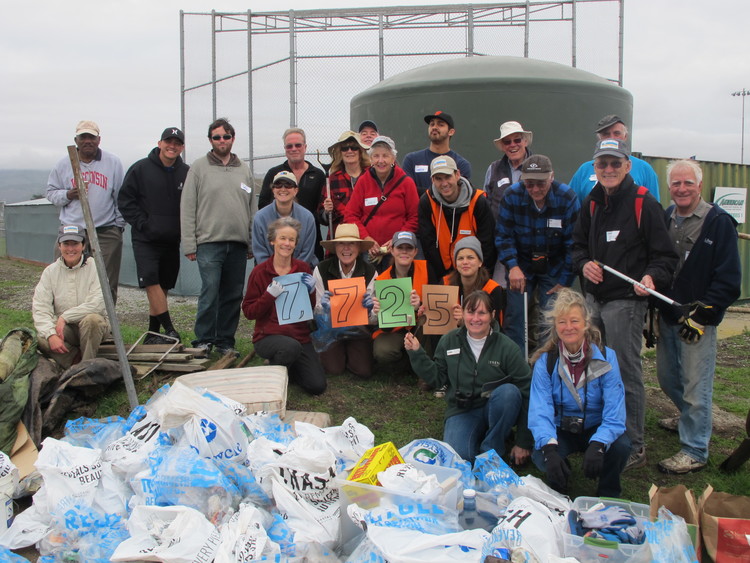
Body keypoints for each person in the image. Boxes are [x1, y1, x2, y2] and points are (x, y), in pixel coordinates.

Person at [572, 138, 677, 471]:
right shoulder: (591, 202)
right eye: (602, 163)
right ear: (595, 167)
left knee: (626, 373)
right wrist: (584, 264)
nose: (608, 169)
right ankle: (603, 432)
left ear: (627, 165)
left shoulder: (644, 203)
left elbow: (665, 256)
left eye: (615, 163)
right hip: (593, 301)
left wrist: (651, 278)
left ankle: (634, 444)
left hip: (626, 303)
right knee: (594, 369)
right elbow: (577, 246)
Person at [655, 159, 741, 474]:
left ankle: (694, 449)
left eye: (687, 183)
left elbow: (730, 279)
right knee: (667, 378)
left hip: (698, 321)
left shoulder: (718, 222)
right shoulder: (666, 218)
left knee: (695, 385)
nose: (681, 189)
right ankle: (688, 417)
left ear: (699, 186)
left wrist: (704, 315)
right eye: (676, 183)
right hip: (668, 314)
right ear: (669, 187)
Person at [405, 290, 533, 464]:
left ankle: (492, 447)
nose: (475, 319)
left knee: (509, 393)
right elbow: (438, 379)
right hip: (462, 410)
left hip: (494, 406)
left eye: (482, 313)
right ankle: (485, 436)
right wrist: (417, 353)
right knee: (460, 458)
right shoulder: (449, 340)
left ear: (492, 315)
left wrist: (523, 442)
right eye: (471, 312)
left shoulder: (507, 347)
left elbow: (528, 392)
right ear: (463, 314)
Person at [528, 288, 629, 497]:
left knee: (621, 446)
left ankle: (609, 493)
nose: (568, 327)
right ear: (556, 326)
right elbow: (540, 410)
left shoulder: (607, 358)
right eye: (562, 322)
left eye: (574, 321)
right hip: (561, 428)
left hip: (594, 425)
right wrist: (549, 450)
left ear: (586, 324)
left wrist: (599, 444)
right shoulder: (545, 362)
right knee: (540, 455)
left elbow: (615, 409)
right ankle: (561, 479)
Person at [180, 118, 253, 357]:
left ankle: (225, 342)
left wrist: (251, 241)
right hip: (209, 243)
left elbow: (252, 207)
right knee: (210, 291)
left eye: (226, 136)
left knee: (233, 294)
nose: (222, 140)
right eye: (216, 137)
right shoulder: (199, 168)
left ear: (233, 138)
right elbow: (188, 206)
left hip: (238, 244)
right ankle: (203, 340)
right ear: (210, 140)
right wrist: (190, 243)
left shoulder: (244, 168)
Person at [496, 154, 580, 352]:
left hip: (555, 266)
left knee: (550, 318)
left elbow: (574, 244)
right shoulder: (511, 196)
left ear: (551, 177)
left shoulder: (567, 198)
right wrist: (512, 266)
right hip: (521, 265)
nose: (535, 189)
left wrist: (565, 280)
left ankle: (546, 365)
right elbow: (503, 236)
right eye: (529, 184)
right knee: (515, 316)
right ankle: (517, 367)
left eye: (540, 183)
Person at [118, 127, 189, 344]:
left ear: (182, 147)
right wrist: (143, 224)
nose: (172, 146)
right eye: (168, 141)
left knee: (163, 285)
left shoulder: (186, 172)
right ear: (160, 143)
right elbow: (125, 200)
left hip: (171, 239)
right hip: (146, 238)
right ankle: (169, 330)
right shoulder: (140, 169)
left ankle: (152, 333)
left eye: (177, 143)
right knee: (151, 281)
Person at [242, 217, 326, 395]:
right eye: (282, 238)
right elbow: (249, 312)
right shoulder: (260, 272)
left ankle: (288, 368)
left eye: (291, 240)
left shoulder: (303, 268)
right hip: (268, 336)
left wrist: (311, 291)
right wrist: (268, 296)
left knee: (316, 386)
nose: (287, 243)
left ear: (296, 244)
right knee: (289, 348)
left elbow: (308, 311)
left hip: (299, 336)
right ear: (272, 240)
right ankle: (271, 376)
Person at [46, 120, 125, 302]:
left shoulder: (113, 163)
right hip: (72, 230)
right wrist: (68, 194)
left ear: (99, 140)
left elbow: (121, 196)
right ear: (76, 140)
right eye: (83, 137)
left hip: (105, 230)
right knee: (65, 277)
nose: (87, 141)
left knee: (106, 281)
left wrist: (118, 227)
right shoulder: (63, 164)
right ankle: (67, 323)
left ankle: (105, 324)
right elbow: (50, 193)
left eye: (92, 137)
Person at [33, 225, 109, 369]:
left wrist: (65, 317)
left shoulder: (96, 267)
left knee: (93, 320)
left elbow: (98, 304)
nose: (70, 249)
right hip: (66, 330)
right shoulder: (50, 272)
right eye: (66, 244)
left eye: (75, 244)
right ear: (59, 246)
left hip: (92, 326)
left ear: (83, 245)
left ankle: (86, 368)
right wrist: (51, 335)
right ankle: (74, 359)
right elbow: (40, 308)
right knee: (42, 338)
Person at [313, 224, 380, 379]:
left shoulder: (370, 272)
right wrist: (325, 308)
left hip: (358, 330)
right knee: (333, 369)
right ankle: (335, 352)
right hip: (330, 328)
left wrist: (370, 310)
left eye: (352, 243)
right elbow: (317, 311)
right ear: (335, 247)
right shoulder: (321, 270)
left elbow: (373, 318)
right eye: (341, 243)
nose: (346, 248)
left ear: (359, 247)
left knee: (364, 371)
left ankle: (351, 352)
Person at [344, 136, 419, 272]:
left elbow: (414, 217)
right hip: (370, 252)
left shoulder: (406, 182)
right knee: (370, 290)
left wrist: (397, 239)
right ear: (371, 159)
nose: (381, 161)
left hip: (398, 250)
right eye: (376, 156)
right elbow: (350, 215)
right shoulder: (363, 182)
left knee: (394, 289)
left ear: (393, 158)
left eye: (385, 156)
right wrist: (367, 239)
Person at [418, 155, 496, 279]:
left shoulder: (478, 201)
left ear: (457, 174)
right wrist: (445, 279)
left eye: (448, 177)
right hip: (442, 275)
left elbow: (487, 245)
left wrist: (479, 277)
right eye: (438, 179)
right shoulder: (426, 202)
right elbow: (429, 244)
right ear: (432, 180)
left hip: (475, 275)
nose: (444, 183)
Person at [372, 231, 439, 368]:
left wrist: (419, 305)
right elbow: (386, 328)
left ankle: (427, 369)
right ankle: (408, 365)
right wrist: (380, 312)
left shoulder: (426, 268)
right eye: (400, 248)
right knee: (382, 350)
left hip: (421, 326)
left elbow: (437, 305)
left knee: (429, 326)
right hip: (397, 329)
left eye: (409, 248)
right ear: (391, 250)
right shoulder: (382, 279)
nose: (404, 252)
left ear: (415, 251)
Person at [258, 128, 326, 259]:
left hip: (309, 246)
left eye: (298, 145)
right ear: (285, 148)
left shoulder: (318, 175)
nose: (294, 149)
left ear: (305, 147)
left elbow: (320, 212)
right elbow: (263, 205)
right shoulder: (274, 173)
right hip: (279, 246)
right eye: (289, 146)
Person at [569, 115, 660, 202]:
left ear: (625, 137)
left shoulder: (644, 169)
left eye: (617, 133)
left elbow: (654, 209)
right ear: (599, 139)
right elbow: (572, 207)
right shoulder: (584, 170)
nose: (612, 138)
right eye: (606, 134)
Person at [253, 171, 318, 268]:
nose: (283, 189)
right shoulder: (260, 217)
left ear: (295, 191)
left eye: (288, 185)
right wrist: (275, 273)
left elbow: (307, 253)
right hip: (268, 272)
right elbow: (260, 252)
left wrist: (291, 274)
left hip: (300, 272)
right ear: (273, 190)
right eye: (278, 185)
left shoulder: (308, 217)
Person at [402, 111, 472, 195]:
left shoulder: (461, 164)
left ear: (451, 132)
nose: (434, 127)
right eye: (432, 124)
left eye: (440, 125)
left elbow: (457, 194)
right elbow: (408, 190)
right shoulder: (411, 160)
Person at [443, 237, 505, 327]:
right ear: (455, 263)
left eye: (470, 258)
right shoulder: (445, 283)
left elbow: (495, 326)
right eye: (460, 258)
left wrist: (465, 320)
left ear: (480, 262)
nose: (465, 262)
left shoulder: (493, 289)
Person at [319, 131, 370, 240]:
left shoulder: (371, 176)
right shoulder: (331, 180)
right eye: (345, 148)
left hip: (368, 240)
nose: (349, 151)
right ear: (340, 152)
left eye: (354, 147)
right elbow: (322, 218)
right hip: (341, 240)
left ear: (361, 151)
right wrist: (327, 212)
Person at [483, 120, 534, 218]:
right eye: (507, 142)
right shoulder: (493, 168)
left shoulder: (538, 166)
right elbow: (486, 203)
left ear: (525, 142)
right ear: (502, 146)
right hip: (499, 231)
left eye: (517, 140)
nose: (512, 145)